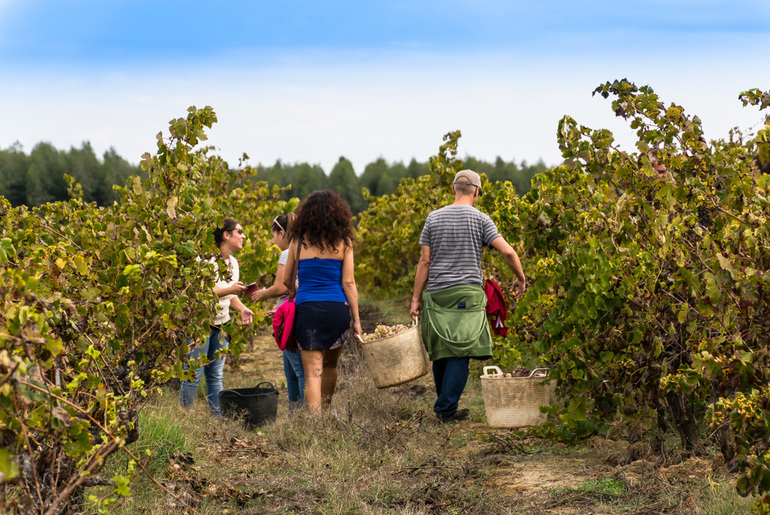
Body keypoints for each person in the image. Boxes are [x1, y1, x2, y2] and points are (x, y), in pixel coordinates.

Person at [410, 170, 526, 423]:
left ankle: (444, 407)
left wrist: (415, 299)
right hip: (468, 294)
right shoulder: (482, 220)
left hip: (438, 293)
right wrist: (520, 277)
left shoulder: (433, 218)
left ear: (454, 189)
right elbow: (507, 252)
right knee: (461, 350)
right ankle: (446, 410)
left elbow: (425, 261)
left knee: (442, 349)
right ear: (476, 191)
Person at [283, 190, 362, 416]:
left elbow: (287, 280)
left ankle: (315, 425)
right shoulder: (344, 243)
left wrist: (299, 291)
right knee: (330, 366)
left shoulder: (297, 243)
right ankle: (325, 415)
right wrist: (356, 319)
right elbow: (348, 283)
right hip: (336, 310)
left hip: (307, 310)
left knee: (312, 374)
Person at [179, 218, 254, 416]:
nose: (243, 235)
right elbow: (200, 293)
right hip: (201, 324)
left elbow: (229, 296)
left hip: (222, 325)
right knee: (192, 375)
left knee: (215, 376)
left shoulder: (234, 263)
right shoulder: (205, 260)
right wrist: (230, 289)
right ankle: (182, 419)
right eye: (239, 231)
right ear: (226, 235)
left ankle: (217, 418)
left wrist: (242, 308)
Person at [251, 213, 305, 411]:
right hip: (291, 310)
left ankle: (301, 413)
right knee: (290, 370)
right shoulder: (302, 250)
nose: (273, 241)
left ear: (281, 233)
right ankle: (294, 413)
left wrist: (262, 294)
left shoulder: (286, 253)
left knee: (298, 370)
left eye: (273, 235)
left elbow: (282, 286)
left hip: (289, 317)